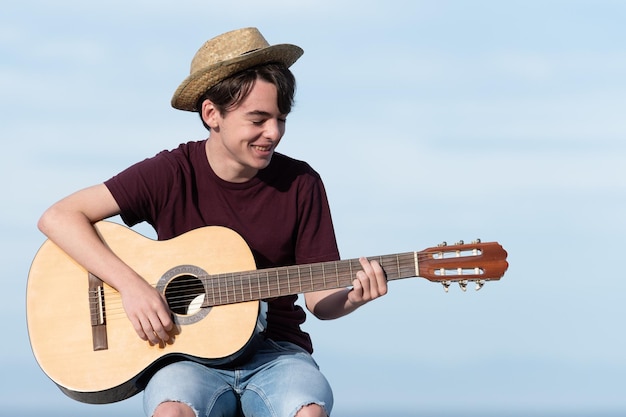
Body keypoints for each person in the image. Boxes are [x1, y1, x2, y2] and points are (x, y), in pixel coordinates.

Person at [37, 27, 388, 417]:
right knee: (171, 411)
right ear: (211, 114)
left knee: (306, 410)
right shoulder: (170, 172)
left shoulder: (302, 183)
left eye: (281, 119)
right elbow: (59, 217)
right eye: (258, 119)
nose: (272, 133)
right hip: (186, 355)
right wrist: (132, 286)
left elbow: (320, 302)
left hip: (278, 354)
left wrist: (353, 297)